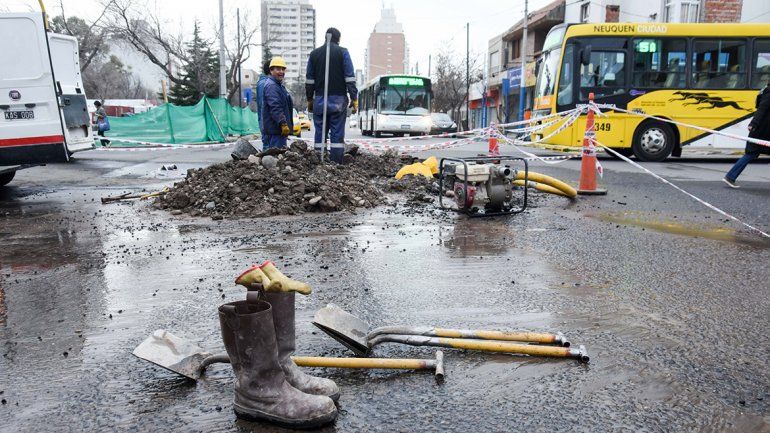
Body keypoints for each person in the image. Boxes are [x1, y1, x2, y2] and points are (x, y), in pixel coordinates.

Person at [305, 27, 358, 163]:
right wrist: (354, 98)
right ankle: (336, 164)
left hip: (320, 100)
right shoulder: (343, 52)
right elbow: (350, 78)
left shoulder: (314, 54)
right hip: (338, 101)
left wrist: (310, 99)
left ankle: (318, 161)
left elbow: (310, 80)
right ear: (338, 39)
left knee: (320, 133)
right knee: (337, 135)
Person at [723, 79, 770, 188]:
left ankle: (730, 176)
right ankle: (730, 177)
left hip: (762, 130)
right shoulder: (769, 93)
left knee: (751, 153)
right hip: (762, 130)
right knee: (751, 153)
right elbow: (761, 109)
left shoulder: (765, 90)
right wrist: (754, 123)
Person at [261, 57, 294, 150]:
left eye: (283, 69)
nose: (281, 72)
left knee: (279, 158)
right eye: (278, 69)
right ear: (271, 70)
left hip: (277, 130)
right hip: (275, 130)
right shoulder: (272, 86)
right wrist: (283, 123)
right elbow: (275, 107)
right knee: (277, 158)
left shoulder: (278, 85)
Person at [255, 59, 271, 147]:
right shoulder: (265, 84)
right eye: (277, 68)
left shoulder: (266, 83)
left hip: (268, 124)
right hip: (268, 125)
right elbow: (263, 105)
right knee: (269, 149)